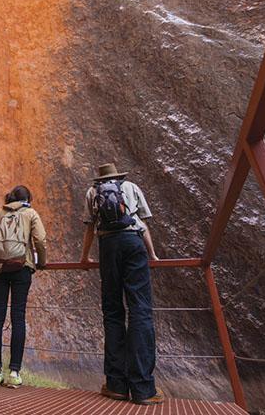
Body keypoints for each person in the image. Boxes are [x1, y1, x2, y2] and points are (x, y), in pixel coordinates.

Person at [79, 163, 164, 405]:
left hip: (108, 247)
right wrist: (152, 254)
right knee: (140, 310)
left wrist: (84, 257)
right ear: (118, 176)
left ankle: (116, 384)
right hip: (133, 243)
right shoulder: (131, 187)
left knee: (113, 312)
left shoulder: (92, 192)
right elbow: (142, 224)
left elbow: (90, 228)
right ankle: (143, 388)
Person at [0, 185, 47, 389]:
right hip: (22, 267)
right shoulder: (30, 213)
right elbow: (40, 239)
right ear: (27, 199)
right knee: (18, 317)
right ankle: (14, 372)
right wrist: (41, 262)